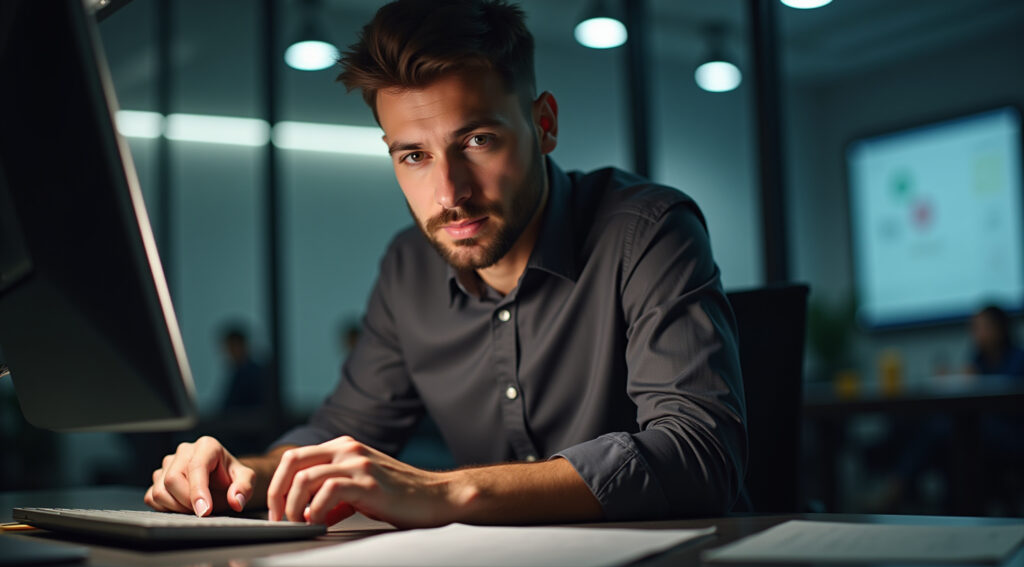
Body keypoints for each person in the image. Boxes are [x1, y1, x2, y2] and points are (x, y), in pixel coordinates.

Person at [144, 0, 746, 527]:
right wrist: (237, 475)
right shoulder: (408, 267)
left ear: (544, 124)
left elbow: (697, 453)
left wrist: (444, 491)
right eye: (413, 155)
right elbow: (339, 432)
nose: (449, 191)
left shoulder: (647, 230)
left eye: (477, 141)